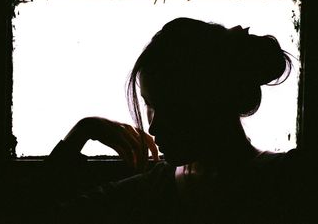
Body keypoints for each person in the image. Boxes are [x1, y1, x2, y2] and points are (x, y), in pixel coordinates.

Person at [32, 17, 301, 224]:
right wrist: (83, 130)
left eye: (173, 108)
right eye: (150, 105)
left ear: (214, 99)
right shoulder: (150, 188)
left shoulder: (291, 180)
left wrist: (80, 135)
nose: (153, 126)